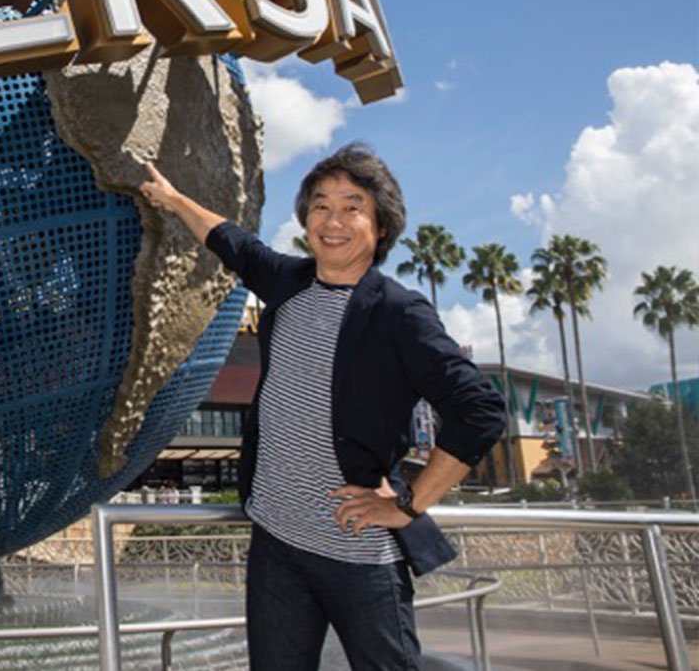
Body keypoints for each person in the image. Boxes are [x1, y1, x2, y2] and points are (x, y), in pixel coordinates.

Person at [139, 142, 505, 670]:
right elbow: (231, 241)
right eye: (320, 205)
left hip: (358, 551)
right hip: (276, 543)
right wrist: (172, 198)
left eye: (352, 206)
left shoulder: (400, 313)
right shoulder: (288, 283)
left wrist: (407, 505)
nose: (333, 220)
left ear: (380, 227)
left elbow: (480, 410)